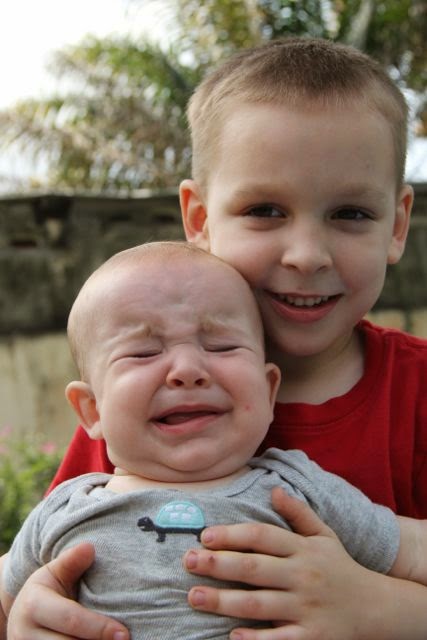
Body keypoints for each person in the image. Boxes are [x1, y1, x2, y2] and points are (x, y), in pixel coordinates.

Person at [5, 36, 427, 640]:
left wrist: (382, 611)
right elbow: (40, 571)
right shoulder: (141, 406)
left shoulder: (418, 392)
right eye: (265, 210)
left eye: (351, 214)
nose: (306, 255)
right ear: (199, 219)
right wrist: (28, 616)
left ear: (398, 224)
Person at [2, 241, 427, 640]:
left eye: (221, 346)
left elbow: (414, 551)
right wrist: (20, 620)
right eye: (144, 353)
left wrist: (379, 605)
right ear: (92, 410)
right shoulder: (66, 509)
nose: (187, 370)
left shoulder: (296, 489)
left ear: (268, 391)